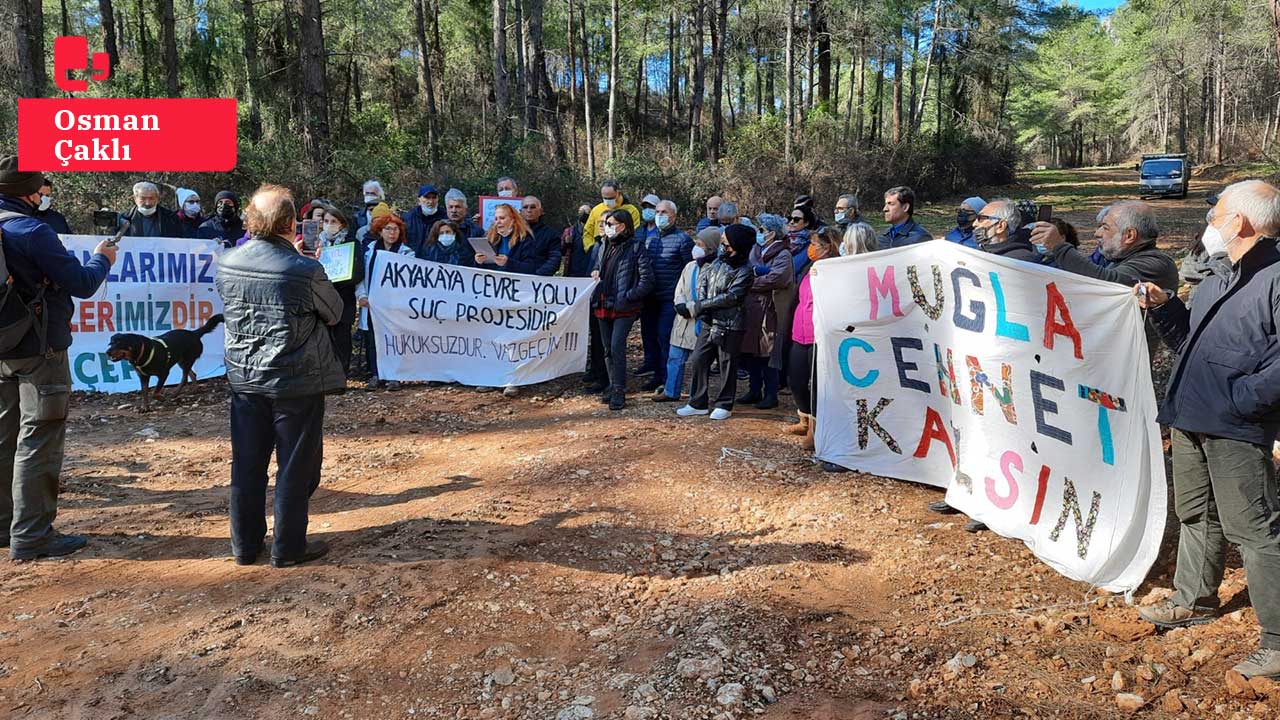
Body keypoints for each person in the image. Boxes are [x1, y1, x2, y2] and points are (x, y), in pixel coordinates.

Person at [1134, 179, 1280, 680]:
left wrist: (1242, 401)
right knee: (1195, 512)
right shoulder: (1218, 274)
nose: (1209, 223)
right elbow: (1188, 342)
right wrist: (1164, 307)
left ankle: (1278, 644)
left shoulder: (1277, 276)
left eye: (1215, 214)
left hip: (1235, 425)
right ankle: (1193, 598)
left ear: (1239, 222)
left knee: (1255, 529)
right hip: (1191, 415)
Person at [216, 184, 343, 568]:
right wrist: (309, 266)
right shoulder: (305, 269)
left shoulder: (228, 261)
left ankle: (244, 546)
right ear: (291, 224)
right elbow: (334, 312)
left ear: (251, 221)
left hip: (244, 377)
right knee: (294, 464)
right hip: (295, 379)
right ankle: (287, 547)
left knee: (247, 463)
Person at [0, 156, 117, 560]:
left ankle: (4, 525)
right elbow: (83, 283)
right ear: (30, 193)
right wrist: (102, 258)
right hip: (39, 349)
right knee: (40, 436)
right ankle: (32, 535)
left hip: (2, 347)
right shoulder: (33, 231)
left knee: (5, 436)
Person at [1030, 200, 1179, 356]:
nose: (1097, 233)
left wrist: (1059, 247)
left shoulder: (1156, 264)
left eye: (1105, 227)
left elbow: (1102, 282)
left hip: (1124, 367)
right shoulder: (1119, 257)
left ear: (1129, 235)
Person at [475, 203, 561, 397]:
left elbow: (532, 267)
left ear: (513, 219)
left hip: (517, 296)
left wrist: (509, 263)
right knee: (492, 337)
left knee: (513, 339)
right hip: (494, 295)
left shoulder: (525, 239)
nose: (498, 222)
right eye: (496, 218)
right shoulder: (490, 239)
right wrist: (478, 261)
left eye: (502, 218)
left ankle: (513, 379)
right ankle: (492, 377)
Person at [675, 223, 756, 421]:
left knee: (727, 364)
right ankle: (698, 402)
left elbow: (732, 296)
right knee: (699, 360)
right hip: (709, 321)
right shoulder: (717, 262)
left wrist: (701, 305)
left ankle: (724, 404)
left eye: (727, 244)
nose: (723, 248)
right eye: (721, 243)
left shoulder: (745, 270)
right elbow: (704, 281)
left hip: (730, 324)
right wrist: (702, 305)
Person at [788, 226, 850, 450]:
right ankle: (804, 417)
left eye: (815, 245)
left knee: (816, 384)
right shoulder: (809, 266)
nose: (811, 249)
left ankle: (817, 429)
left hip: (818, 335)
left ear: (827, 248)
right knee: (796, 379)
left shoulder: (836, 270)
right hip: (799, 331)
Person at [590, 210, 655, 410]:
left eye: (611, 223)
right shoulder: (602, 246)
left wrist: (629, 296)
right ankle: (611, 384)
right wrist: (594, 274)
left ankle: (619, 389)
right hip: (602, 304)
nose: (607, 227)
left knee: (617, 347)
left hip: (624, 307)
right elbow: (596, 269)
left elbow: (647, 280)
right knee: (607, 348)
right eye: (606, 223)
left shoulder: (636, 248)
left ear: (623, 226)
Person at [738, 213, 795, 410]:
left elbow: (777, 279)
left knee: (768, 353)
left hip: (771, 310)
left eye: (761, 230)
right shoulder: (755, 250)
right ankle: (754, 390)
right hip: (752, 309)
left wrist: (750, 282)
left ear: (772, 234)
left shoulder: (783, 254)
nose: (759, 233)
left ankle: (771, 393)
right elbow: (746, 271)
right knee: (752, 352)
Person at [658, 227, 721, 403]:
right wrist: (679, 304)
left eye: (700, 244)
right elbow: (680, 288)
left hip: (700, 323)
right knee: (674, 358)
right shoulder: (689, 266)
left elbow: (712, 297)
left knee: (698, 363)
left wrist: (691, 308)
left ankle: (697, 395)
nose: (696, 247)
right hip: (681, 322)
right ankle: (671, 390)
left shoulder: (717, 269)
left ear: (711, 247)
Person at [638, 199, 693, 391]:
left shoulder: (683, 240)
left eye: (664, 212)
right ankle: (656, 374)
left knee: (664, 336)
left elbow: (690, 270)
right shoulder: (649, 238)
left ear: (674, 216)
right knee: (650, 335)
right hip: (649, 297)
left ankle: (668, 379)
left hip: (670, 298)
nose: (660, 215)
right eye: (658, 212)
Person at [356, 214, 414, 391]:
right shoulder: (369, 251)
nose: (392, 233)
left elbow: (411, 281)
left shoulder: (407, 253)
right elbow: (361, 277)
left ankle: (394, 376)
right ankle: (376, 374)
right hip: (372, 305)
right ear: (380, 231)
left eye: (396, 229)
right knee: (373, 340)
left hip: (395, 306)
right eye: (388, 229)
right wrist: (362, 296)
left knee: (394, 339)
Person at [314, 205, 364, 376]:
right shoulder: (315, 243)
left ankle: (341, 375)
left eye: (333, 221)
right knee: (323, 338)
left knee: (342, 337)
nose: (329, 224)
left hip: (344, 298)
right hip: (321, 298)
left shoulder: (352, 243)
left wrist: (343, 276)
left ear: (342, 224)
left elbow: (358, 272)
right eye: (326, 221)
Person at [971, 198, 1039, 263]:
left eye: (981, 218)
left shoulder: (1020, 261)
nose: (974, 224)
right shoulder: (982, 250)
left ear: (1001, 226)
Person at [583, 180, 642, 253]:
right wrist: (590, 247)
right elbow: (587, 232)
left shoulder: (631, 210)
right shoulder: (596, 210)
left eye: (610, 198)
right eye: (605, 198)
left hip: (621, 251)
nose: (607, 201)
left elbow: (634, 232)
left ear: (618, 193)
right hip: (598, 250)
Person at [120, 181, 184, 237]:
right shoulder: (124, 218)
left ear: (157, 199)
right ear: (135, 199)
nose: (147, 203)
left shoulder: (171, 218)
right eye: (143, 198)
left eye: (151, 198)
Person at [403, 184, 446, 253]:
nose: (431, 202)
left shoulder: (445, 218)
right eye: (427, 197)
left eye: (434, 198)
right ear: (419, 200)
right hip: (412, 260)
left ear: (438, 199)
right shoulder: (408, 218)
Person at [562, 203, 595, 277]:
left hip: (589, 271)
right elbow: (562, 251)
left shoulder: (595, 231)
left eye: (585, 211)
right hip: (572, 272)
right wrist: (565, 242)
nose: (582, 213)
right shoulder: (569, 231)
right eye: (580, 211)